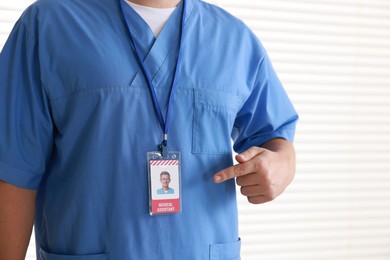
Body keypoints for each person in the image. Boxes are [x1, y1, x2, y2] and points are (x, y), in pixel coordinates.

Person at [0, 0, 298, 259]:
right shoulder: (48, 25)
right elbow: (12, 169)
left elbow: (275, 138)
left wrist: (281, 164)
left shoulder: (235, 40)